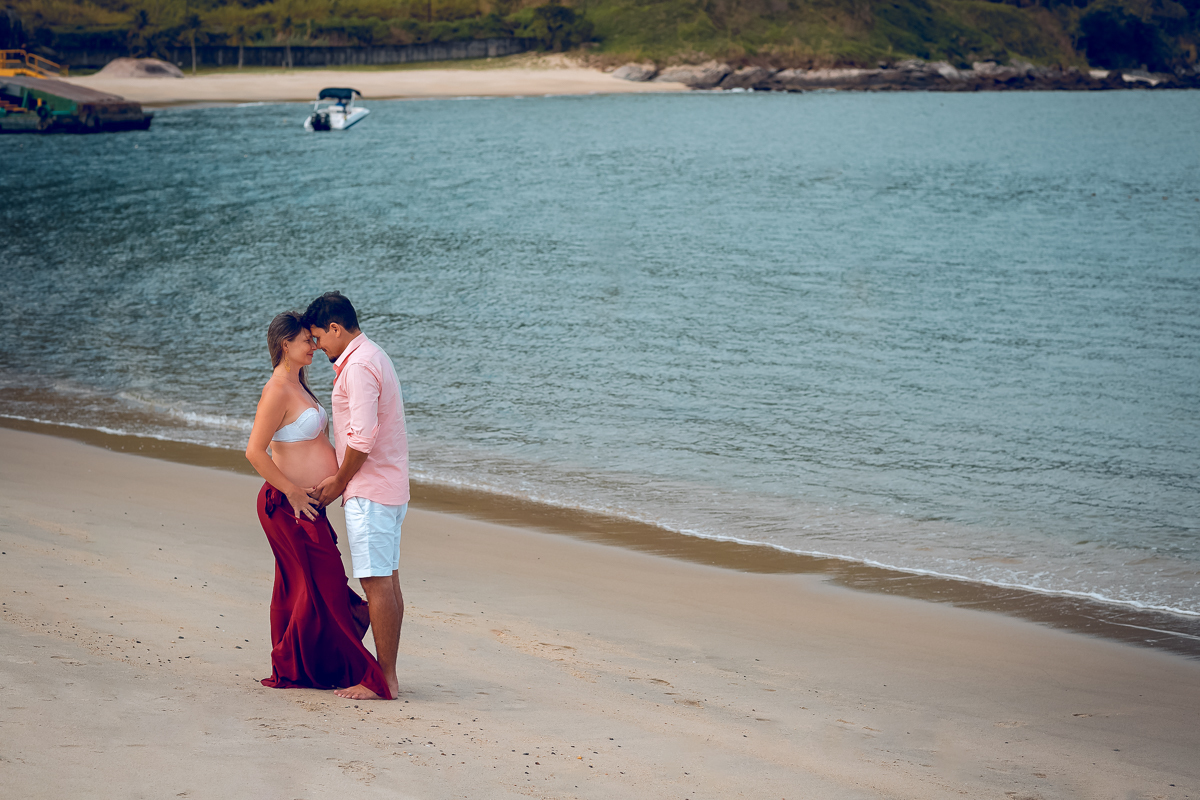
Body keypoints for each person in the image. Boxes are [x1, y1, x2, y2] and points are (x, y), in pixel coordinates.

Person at [244, 311, 391, 701]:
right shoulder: (276, 390)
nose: (314, 345)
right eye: (306, 340)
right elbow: (254, 452)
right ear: (285, 345)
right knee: (323, 587)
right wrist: (293, 492)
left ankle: (313, 667)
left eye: (314, 338)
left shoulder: (300, 384)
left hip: (308, 505)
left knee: (312, 588)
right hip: (287, 505)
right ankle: (359, 673)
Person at [303, 292, 409, 702]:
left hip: (371, 490)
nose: (316, 346)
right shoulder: (372, 355)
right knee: (388, 581)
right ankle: (387, 675)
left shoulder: (359, 366)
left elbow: (362, 439)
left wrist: (338, 482)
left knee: (376, 583)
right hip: (389, 487)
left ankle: (384, 680)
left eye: (318, 337)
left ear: (336, 328)